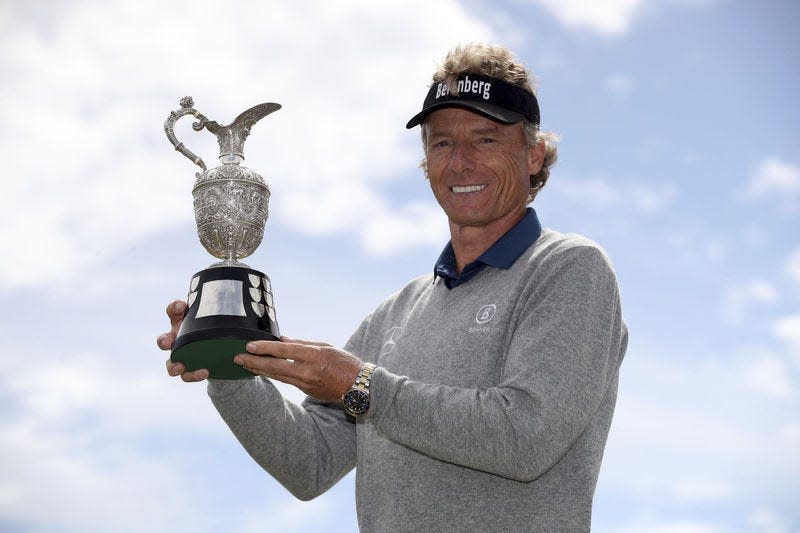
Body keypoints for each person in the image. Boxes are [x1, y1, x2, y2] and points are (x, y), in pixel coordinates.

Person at [158, 42, 628, 532]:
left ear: (534, 155)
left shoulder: (570, 269)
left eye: (486, 140)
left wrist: (360, 386)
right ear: (426, 161)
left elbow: (525, 436)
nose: (461, 162)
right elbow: (308, 463)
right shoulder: (396, 312)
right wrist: (227, 361)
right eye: (442, 143)